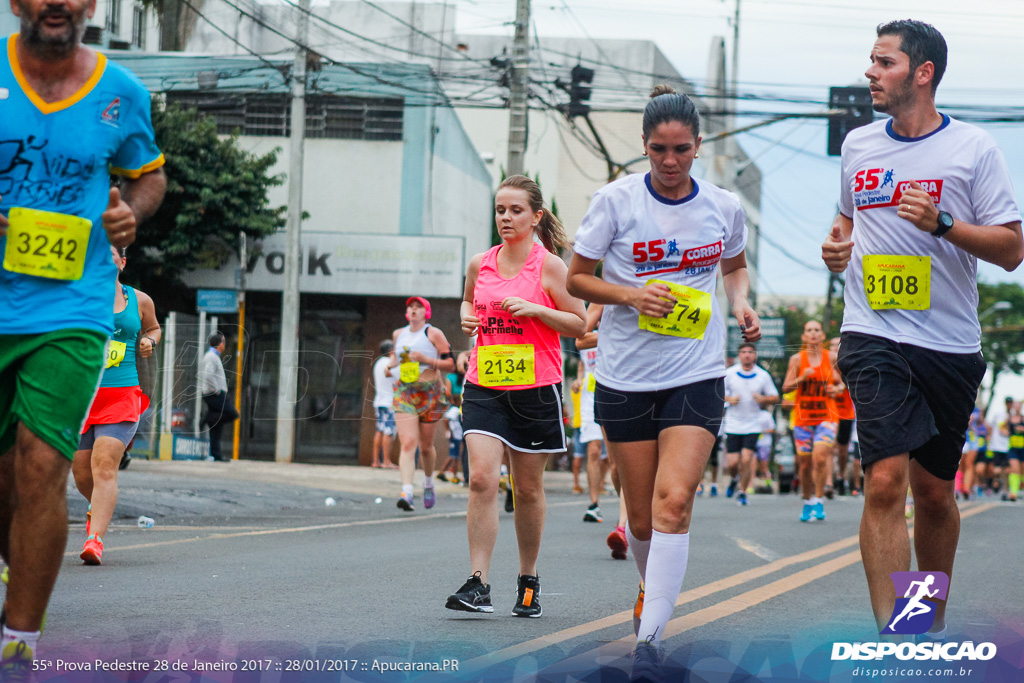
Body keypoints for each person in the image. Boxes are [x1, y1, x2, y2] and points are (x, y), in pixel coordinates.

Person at [821, 20, 1022, 640]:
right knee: (884, 478)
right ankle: (898, 634)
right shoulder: (859, 145)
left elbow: (1012, 249)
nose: (870, 72)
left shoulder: (974, 150)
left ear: (922, 72)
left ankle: (926, 623)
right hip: (872, 333)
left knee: (933, 493)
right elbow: (844, 220)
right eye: (871, 60)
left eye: (883, 62)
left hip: (949, 344)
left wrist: (944, 225)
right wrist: (836, 247)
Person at [567, 85, 759, 676]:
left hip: (696, 371)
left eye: (680, 149)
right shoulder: (615, 202)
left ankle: (649, 641)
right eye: (658, 151)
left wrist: (743, 302)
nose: (670, 162)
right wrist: (630, 294)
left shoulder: (724, 207)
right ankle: (652, 595)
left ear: (698, 145)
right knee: (645, 519)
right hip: (625, 375)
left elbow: (734, 265)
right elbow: (577, 279)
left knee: (675, 501)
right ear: (643, 148)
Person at [0, 1, 166, 670]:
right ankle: (17, 569)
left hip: (72, 307)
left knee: (42, 462)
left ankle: (19, 642)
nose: (58, 2)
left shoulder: (121, 93)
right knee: (6, 477)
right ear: (17, 3)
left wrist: (131, 212)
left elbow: (148, 176)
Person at [446, 175, 585, 618]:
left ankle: (528, 579)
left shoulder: (550, 267)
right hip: (484, 383)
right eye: (500, 210)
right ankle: (478, 583)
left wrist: (539, 310)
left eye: (515, 211)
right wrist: (468, 318)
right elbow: (468, 303)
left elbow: (580, 324)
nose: (506, 218)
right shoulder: (480, 263)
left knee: (526, 489)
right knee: (482, 479)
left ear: (536, 216)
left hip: (536, 388)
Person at [72, 247, 160, 565]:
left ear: (123, 262)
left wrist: (150, 340)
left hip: (121, 395)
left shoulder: (140, 300)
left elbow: (153, 327)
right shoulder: (76, 295)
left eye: (111, 254)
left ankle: (95, 540)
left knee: (104, 465)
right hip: (82, 395)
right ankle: (97, 507)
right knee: (81, 473)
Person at [387, 297, 455, 511]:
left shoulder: (433, 333)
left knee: (426, 447)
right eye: (411, 307)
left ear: (426, 313)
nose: (414, 310)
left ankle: (428, 482)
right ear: (407, 313)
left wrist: (426, 360)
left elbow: (451, 364)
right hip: (404, 392)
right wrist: (390, 366)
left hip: (430, 393)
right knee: (408, 443)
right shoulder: (399, 334)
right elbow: (395, 356)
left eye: (418, 307)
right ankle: (406, 492)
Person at [782, 321, 841, 522]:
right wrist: (801, 378)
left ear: (823, 336)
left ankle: (819, 499)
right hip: (803, 418)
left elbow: (842, 383)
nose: (813, 333)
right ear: (804, 337)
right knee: (805, 465)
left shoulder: (832, 357)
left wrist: (837, 389)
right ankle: (807, 501)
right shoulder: (797, 360)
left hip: (827, 416)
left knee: (820, 457)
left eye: (817, 330)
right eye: (809, 330)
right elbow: (786, 388)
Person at [723, 343, 779, 506]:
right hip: (733, 423)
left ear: (755, 355)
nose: (747, 355)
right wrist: (729, 399)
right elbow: (717, 392)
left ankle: (742, 491)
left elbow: (774, 397)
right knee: (732, 462)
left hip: (753, 423)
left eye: (750, 352)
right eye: (744, 352)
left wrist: (763, 399)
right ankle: (734, 479)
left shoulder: (763, 375)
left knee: (747, 459)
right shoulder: (730, 373)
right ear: (739, 355)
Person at [575, 303, 611, 523]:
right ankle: (594, 503)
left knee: (614, 456)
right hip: (590, 397)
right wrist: (579, 380)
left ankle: (626, 516)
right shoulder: (592, 335)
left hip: (618, 392)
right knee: (594, 450)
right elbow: (581, 356)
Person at [201, 332, 239, 462]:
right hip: (213, 393)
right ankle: (207, 418)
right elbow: (208, 375)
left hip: (215, 392)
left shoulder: (215, 357)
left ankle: (216, 454)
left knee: (216, 425)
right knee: (232, 413)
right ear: (219, 344)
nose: (224, 345)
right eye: (223, 342)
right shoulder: (211, 357)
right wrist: (217, 389)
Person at [829, 337, 857, 496]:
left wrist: (841, 386)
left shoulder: (848, 364)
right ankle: (828, 482)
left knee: (842, 450)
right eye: (832, 345)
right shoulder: (824, 364)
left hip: (845, 412)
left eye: (837, 345)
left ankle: (840, 474)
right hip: (828, 413)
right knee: (828, 446)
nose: (835, 348)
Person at [370, 340, 398, 468]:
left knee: (379, 430)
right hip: (389, 402)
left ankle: (376, 461)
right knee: (388, 431)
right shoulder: (390, 364)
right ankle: (386, 461)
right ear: (391, 351)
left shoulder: (378, 363)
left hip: (379, 400)